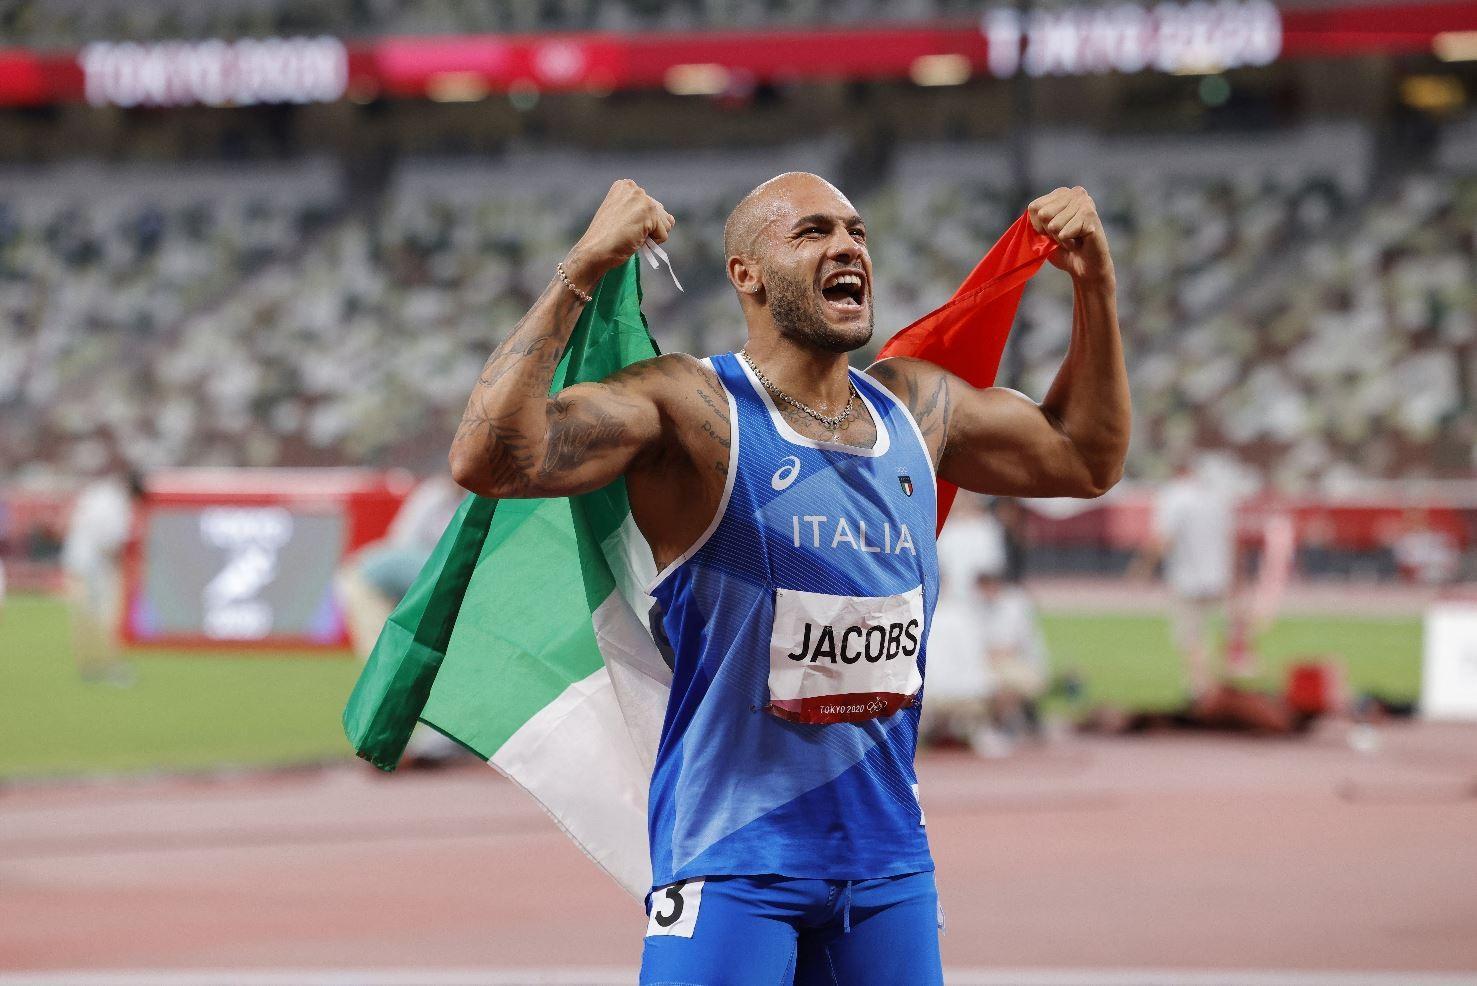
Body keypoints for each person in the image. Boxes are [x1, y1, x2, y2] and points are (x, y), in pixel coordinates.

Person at [448, 174, 1128, 984]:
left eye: (855, 231)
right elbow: (490, 458)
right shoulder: (692, 409)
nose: (846, 246)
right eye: (811, 233)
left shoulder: (915, 410)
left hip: (887, 867)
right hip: (734, 858)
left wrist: (1094, 282)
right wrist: (583, 268)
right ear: (747, 274)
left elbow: (1085, 458)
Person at [1135, 458, 1236, 698]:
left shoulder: (1174, 496)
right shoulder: (1215, 497)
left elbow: (1164, 537)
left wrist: (1143, 568)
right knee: (1216, 634)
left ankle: (1200, 690)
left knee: (1192, 637)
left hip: (1188, 578)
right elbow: (1230, 538)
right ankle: (1219, 688)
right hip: (1217, 576)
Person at [62, 470, 146, 685]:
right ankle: (110, 665)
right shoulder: (116, 505)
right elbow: (109, 543)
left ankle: (89, 665)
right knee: (107, 616)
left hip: (77, 561)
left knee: (84, 617)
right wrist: (126, 567)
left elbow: (73, 522)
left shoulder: (98, 493)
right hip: (95, 566)